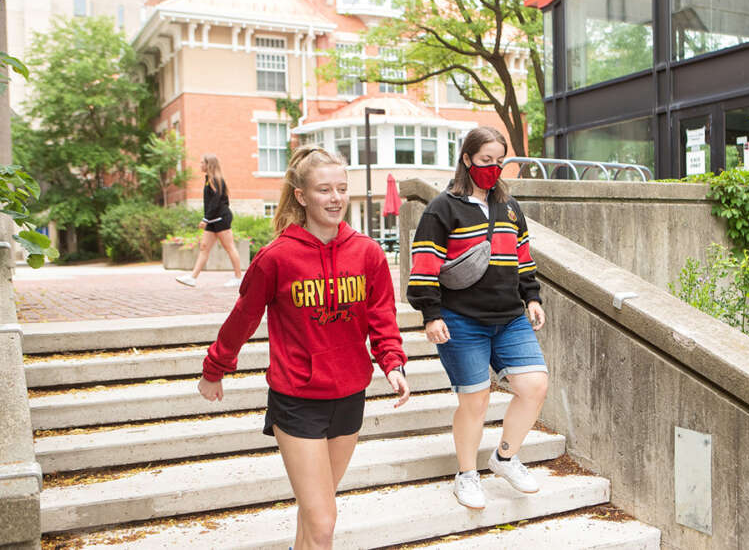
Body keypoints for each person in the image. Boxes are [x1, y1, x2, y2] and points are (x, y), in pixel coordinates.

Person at [197, 146, 410, 549]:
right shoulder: (276, 258)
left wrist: (392, 362)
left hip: (349, 396)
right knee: (324, 521)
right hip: (297, 399)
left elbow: (381, 316)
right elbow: (242, 319)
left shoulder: (367, 253)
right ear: (301, 196)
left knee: (315, 514)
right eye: (324, 190)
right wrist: (215, 368)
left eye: (342, 189)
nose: (336, 199)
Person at [407, 126, 549, 510]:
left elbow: (523, 259)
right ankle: (466, 475)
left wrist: (531, 297)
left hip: (510, 318)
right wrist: (430, 314)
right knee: (476, 400)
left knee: (534, 386)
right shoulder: (442, 209)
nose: (493, 168)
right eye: (486, 160)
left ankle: (503, 458)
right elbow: (424, 265)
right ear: (467, 160)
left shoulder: (510, 208)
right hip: (461, 320)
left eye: (499, 161)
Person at [175, 154, 244, 287]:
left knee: (229, 247)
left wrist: (205, 219)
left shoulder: (215, 180)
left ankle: (238, 277)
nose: (200, 165)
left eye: (202, 163)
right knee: (204, 247)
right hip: (213, 220)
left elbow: (216, 201)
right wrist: (208, 218)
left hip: (221, 219)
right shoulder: (209, 180)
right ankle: (192, 278)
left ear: (209, 165)